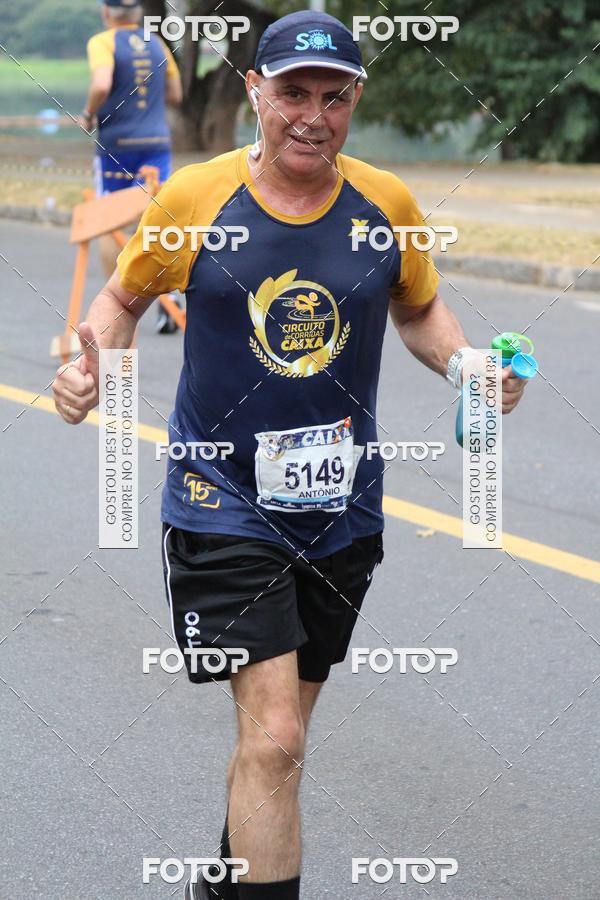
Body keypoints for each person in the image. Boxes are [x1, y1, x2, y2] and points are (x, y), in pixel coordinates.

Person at [53, 10, 528, 898]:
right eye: (293, 93)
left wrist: (466, 368)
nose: (313, 114)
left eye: (334, 96)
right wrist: (90, 371)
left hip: (343, 508)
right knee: (277, 738)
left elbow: (418, 307)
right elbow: (120, 301)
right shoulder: (195, 200)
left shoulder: (387, 206)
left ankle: (226, 884)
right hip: (219, 498)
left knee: (275, 745)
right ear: (254, 93)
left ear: (355, 100)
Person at [81, 0, 183, 333]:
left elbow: (100, 84)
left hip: (117, 145)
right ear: (138, 14)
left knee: (112, 218)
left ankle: (116, 307)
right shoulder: (156, 41)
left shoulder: (102, 41)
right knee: (155, 219)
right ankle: (172, 301)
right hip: (156, 144)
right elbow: (176, 94)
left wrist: (88, 113)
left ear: (105, 13)